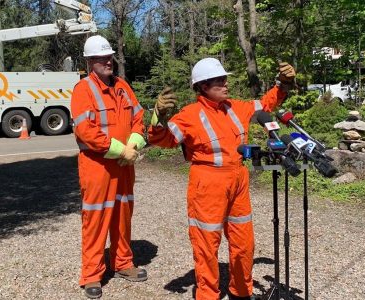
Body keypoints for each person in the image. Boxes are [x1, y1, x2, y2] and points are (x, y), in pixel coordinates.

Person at [148, 57, 295, 300]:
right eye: (219, 80)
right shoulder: (189, 115)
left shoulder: (236, 107)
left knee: (244, 242)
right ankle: (208, 294)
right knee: (207, 243)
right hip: (207, 183)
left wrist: (284, 84)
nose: (226, 83)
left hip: (238, 179)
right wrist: (158, 118)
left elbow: (266, 104)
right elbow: (161, 140)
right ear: (203, 86)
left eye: (225, 79)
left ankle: (240, 291)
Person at [71, 35, 147, 299]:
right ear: (90, 61)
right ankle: (92, 274)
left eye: (109, 56)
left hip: (124, 165)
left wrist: (134, 144)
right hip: (98, 167)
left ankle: (123, 262)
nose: (107, 61)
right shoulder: (83, 90)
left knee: (123, 216)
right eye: (101, 57)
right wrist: (119, 150)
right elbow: (85, 131)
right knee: (96, 219)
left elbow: (139, 118)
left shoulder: (123, 86)